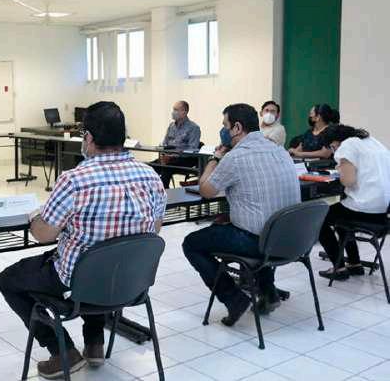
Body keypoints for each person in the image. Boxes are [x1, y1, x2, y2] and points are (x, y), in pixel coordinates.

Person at [0, 101, 167, 379]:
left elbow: (44, 235)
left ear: (87, 137)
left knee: (9, 280)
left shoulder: (74, 180)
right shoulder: (151, 176)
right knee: (103, 259)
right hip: (130, 281)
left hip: (78, 282)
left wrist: (35, 217)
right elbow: (155, 229)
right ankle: (95, 344)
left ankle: (62, 350)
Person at [183, 104, 301, 326]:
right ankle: (268, 292)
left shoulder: (235, 157)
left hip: (259, 242)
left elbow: (206, 190)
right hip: (290, 239)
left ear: (237, 127)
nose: (224, 131)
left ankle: (234, 299)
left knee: (192, 244)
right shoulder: (280, 151)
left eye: (225, 126)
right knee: (246, 225)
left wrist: (214, 158)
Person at [317, 125, 390, 280]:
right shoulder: (372, 142)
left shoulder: (347, 146)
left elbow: (348, 181)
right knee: (342, 211)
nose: (334, 151)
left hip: (366, 210)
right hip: (384, 212)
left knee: (319, 218)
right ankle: (354, 263)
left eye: (332, 147)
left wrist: (340, 168)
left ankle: (339, 268)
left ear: (335, 142)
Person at [152, 101, 201, 188]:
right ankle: (153, 192)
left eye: (176, 110)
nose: (173, 112)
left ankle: (165, 194)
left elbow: (192, 149)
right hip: (168, 158)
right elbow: (164, 143)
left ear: (184, 112)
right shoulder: (171, 126)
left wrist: (173, 156)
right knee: (150, 167)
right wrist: (163, 154)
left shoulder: (194, 128)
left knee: (166, 168)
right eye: (173, 110)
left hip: (185, 159)